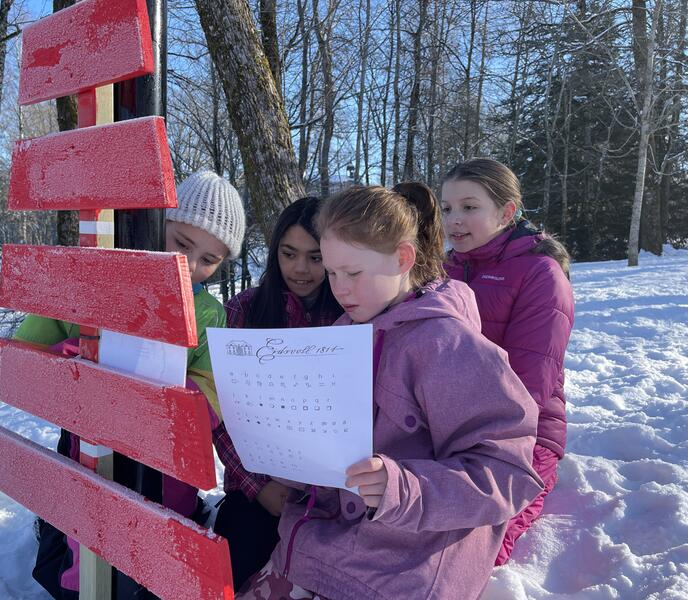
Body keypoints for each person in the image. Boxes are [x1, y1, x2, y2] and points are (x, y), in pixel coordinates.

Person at [237, 183, 544, 600]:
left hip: (400, 573)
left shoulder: (447, 346)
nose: (340, 288)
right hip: (313, 553)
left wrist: (401, 487)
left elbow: (509, 473)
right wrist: (290, 456)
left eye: (353, 273)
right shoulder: (343, 334)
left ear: (403, 259)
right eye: (332, 273)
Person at [17, 169, 246, 600]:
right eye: (181, 243)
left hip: (163, 456)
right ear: (158, 226)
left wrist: (175, 395)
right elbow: (29, 352)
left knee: (161, 524)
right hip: (89, 440)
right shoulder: (96, 281)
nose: (191, 266)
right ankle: (80, 582)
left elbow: (212, 390)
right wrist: (76, 357)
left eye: (209, 259)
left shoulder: (208, 313)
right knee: (90, 523)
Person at [440, 157, 574, 565]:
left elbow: (530, 385)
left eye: (469, 207)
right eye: (446, 208)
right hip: (445, 425)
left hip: (523, 434)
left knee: (477, 546)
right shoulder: (441, 271)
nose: (454, 220)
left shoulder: (540, 274)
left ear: (506, 212)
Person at [214, 197, 343, 590]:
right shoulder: (243, 312)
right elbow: (218, 410)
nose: (300, 269)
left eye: (315, 257)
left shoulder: (348, 314)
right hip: (257, 487)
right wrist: (258, 486)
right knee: (231, 574)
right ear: (274, 254)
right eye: (289, 254)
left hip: (330, 494)